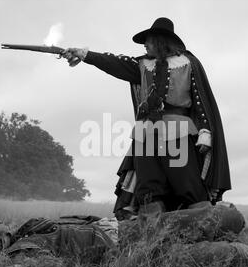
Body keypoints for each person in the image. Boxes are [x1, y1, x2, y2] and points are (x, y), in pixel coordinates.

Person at [62, 18, 231, 220]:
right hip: (145, 135)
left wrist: (205, 131)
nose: (145, 45)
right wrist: (85, 55)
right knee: (149, 188)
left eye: (148, 40)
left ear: (160, 41)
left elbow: (200, 99)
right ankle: (150, 235)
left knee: (188, 184)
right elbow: (113, 63)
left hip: (178, 131)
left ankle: (202, 227)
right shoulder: (141, 65)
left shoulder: (189, 63)